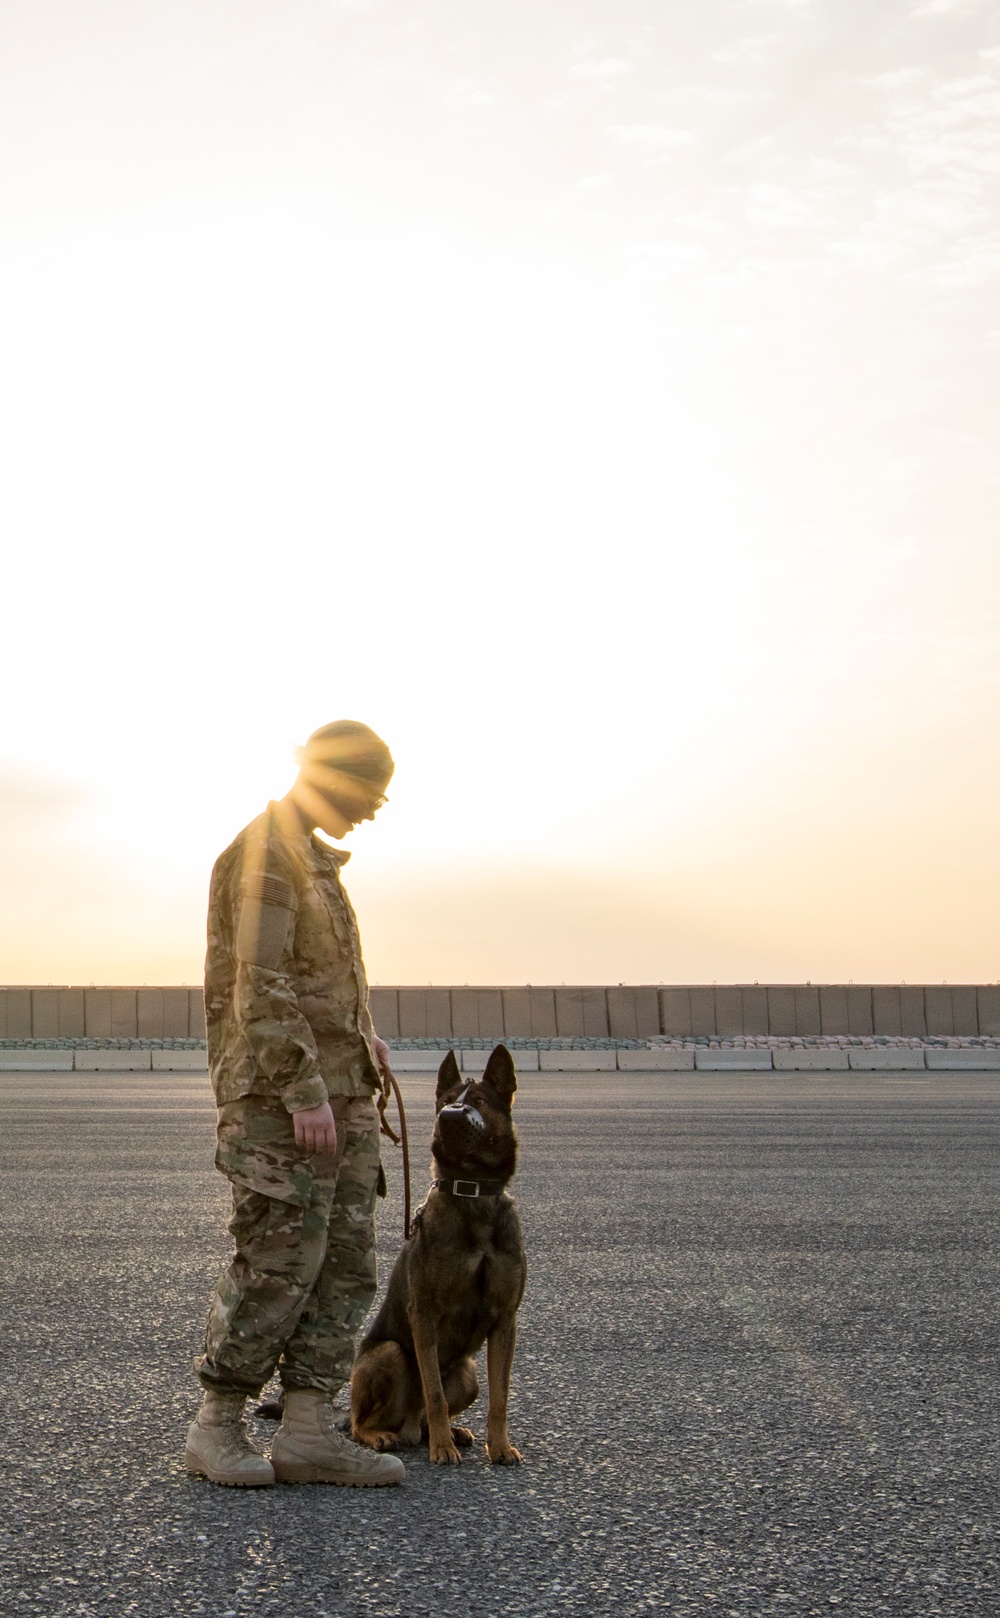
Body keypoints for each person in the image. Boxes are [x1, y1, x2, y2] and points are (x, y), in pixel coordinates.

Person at [185, 720, 405, 1487]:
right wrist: (303, 1089)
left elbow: (325, 978)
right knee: (279, 1260)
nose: (375, 811)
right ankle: (216, 1428)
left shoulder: (316, 861)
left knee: (344, 1263)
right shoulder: (266, 855)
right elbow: (261, 982)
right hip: (281, 1103)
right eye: (371, 793)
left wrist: (363, 1038)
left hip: (339, 1094)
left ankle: (308, 1430)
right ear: (334, 777)